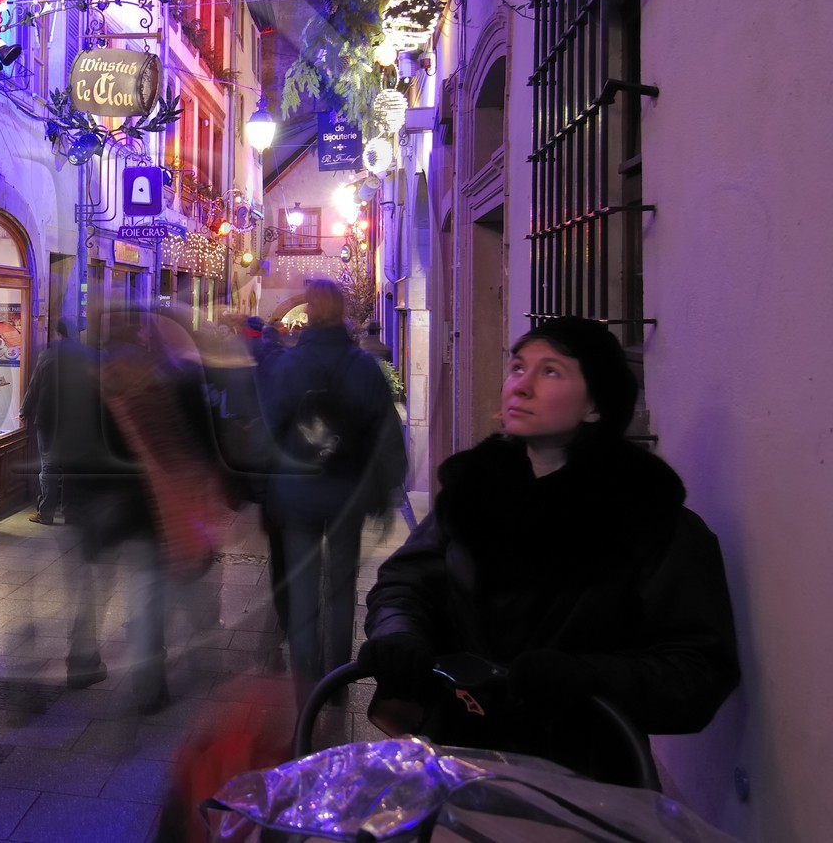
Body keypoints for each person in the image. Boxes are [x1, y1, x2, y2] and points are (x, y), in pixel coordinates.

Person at [358, 316, 739, 784]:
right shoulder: (472, 498)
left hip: (586, 780)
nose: (521, 386)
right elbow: (406, 583)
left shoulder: (650, 521)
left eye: (551, 371)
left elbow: (698, 669)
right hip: (456, 762)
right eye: (518, 367)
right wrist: (400, 633)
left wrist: (591, 677)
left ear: (594, 406)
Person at [259, 279, 400, 688]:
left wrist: (265, 487)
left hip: (297, 493)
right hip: (347, 492)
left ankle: (307, 682)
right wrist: (385, 490)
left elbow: (267, 430)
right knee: (341, 589)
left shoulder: (288, 365)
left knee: (303, 592)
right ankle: (335, 681)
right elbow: (386, 433)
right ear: (342, 312)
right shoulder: (364, 367)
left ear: (309, 311)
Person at [21, 317, 77, 525]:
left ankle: (46, 513)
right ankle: (71, 513)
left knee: (49, 466)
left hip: (48, 418)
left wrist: (24, 410)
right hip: (74, 418)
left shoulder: (47, 356)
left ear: (57, 334)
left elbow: (34, 386)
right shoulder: (83, 357)